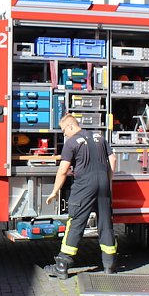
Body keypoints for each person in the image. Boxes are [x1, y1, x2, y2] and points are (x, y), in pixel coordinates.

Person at [44, 114, 117, 280]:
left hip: (84, 187)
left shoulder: (71, 143)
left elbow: (63, 170)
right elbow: (112, 160)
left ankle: (62, 266)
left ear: (70, 126)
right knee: (106, 224)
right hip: (103, 185)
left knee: (75, 223)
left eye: (64, 131)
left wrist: (55, 191)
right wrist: (108, 181)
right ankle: (109, 265)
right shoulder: (99, 137)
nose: (64, 135)